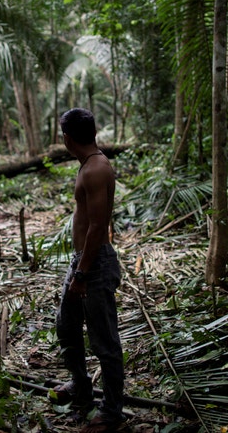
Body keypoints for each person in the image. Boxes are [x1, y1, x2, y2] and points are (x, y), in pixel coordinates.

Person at [51, 108, 128, 433]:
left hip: (93, 264)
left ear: (67, 138)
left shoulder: (97, 168)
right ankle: (81, 386)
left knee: (104, 342)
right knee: (66, 326)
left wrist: (82, 274)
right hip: (83, 260)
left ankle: (111, 413)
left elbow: (98, 226)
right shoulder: (88, 165)